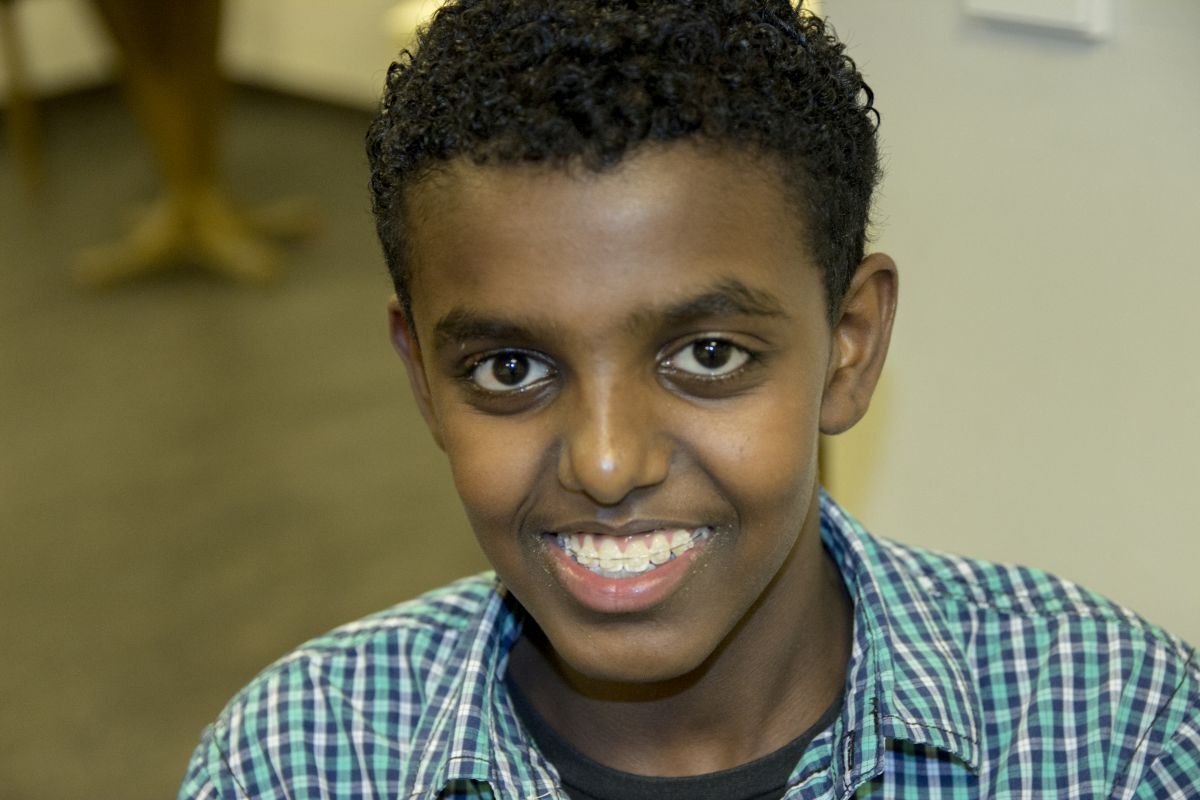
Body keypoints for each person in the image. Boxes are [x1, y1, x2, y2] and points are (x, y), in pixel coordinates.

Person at [178, 2, 1199, 797]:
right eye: (510, 369)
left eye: (707, 354)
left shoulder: (1114, 735)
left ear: (849, 345)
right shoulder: (295, 760)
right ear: (422, 380)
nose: (607, 462)